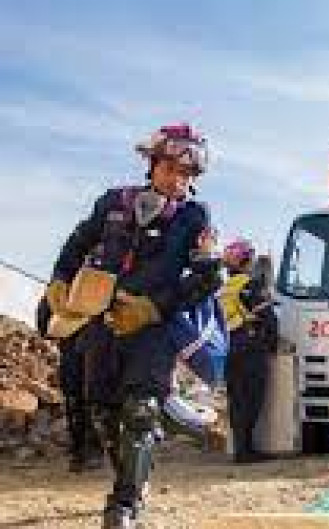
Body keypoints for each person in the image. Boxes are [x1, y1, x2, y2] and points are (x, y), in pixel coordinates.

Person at [45, 123, 221, 529]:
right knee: (102, 409)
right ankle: (133, 472)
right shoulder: (113, 202)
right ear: (152, 164)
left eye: (187, 175)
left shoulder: (195, 217)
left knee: (141, 411)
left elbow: (208, 278)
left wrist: (154, 309)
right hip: (100, 321)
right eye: (171, 169)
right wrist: (60, 277)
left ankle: (124, 504)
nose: (178, 180)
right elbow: (77, 243)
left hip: (152, 329)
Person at [219, 239, 277, 463]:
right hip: (251, 346)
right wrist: (272, 344)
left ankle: (241, 449)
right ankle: (246, 450)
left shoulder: (226, 288)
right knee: (252, 398)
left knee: (236, 400)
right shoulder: (250, 285)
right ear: (245, 261)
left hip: (230, 346)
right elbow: (267, 318)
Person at [37, 295, 105, 472]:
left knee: (84, 402)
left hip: (92, 353)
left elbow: (44, 321)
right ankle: (85, 450)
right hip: (80, 353)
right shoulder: (65, 289)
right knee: (80, 401)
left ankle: (88, 451)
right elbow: (44, 320)